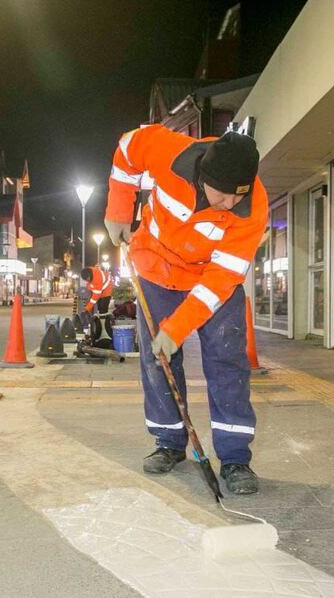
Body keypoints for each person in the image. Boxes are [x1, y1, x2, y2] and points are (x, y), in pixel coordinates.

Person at [104, 127, 268, 495]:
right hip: (156, 268)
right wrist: (118, 209)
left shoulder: (251, 206)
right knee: (157, 361)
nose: (229, 205)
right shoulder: (167, 151)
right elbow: (127, 148)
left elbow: (221, 279)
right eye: (223, 196)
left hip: (211, 280)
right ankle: (169, 443)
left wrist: (177, 328)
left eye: (236, 198)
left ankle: (235, 458)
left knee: (228, 362)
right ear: (204, 178)